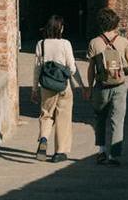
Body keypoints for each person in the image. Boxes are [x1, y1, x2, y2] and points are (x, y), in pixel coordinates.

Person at [31, 15, 87, 162]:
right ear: (60, 28)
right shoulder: (65, 44)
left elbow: (37, 69)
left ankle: (43, 139)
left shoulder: (41, 44)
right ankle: (59, 152)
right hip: (63, 86)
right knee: (63, 118)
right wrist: (81, 85)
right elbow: (72, 68)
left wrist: (34, 89)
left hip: (46, 86)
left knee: (46, 114)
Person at [87, 7, 128, 166]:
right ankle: (114, 155)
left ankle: (101, 151)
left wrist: (89, 87)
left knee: (100, 119)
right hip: (119, 86)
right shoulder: (123, 41)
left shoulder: (94, 42)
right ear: (115, 23)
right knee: (117, 121)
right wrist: (122, 71)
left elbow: (91, 69)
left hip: (101, 86)